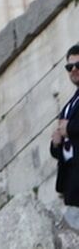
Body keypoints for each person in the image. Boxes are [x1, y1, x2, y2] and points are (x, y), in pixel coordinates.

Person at [51, 44, 79, 207]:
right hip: (71, 182)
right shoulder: (69, 106)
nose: (74, 69)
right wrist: (56, 143)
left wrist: (69, 128)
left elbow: (69, 129)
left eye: (78, 65)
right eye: (70, 67)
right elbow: (61, 148)